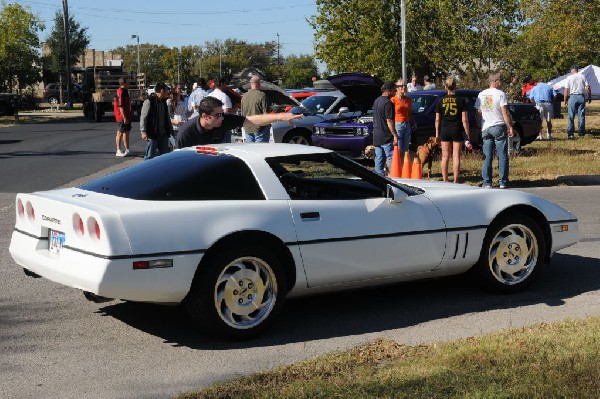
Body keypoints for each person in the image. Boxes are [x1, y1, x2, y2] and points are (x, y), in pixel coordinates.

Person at [176, 96, 302, 148]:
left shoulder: (223, 120)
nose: (222, 118)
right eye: (218, 115)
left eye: (222, 114)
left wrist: (281, 116)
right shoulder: (186, 133)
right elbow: (177, 162)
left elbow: (251, 120)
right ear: (205, 116)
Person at [475, 73, 514, 189]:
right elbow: (505, 112)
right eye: (501, 80)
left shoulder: (481, 94)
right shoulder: (501, 94)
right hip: (498, 126)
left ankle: (487, 182)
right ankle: (503, 181)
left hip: (486, 127)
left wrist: (479, 126)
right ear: (495, 81)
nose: (502, 83)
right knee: (502, 155)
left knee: (487, 156)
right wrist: (510, 126)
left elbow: (478, 113)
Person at [435, 76, 471, 183]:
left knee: (445, 156)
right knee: (456, 156)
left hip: (445, 129)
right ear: (455, 87)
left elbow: (437, 120)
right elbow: (464, 119)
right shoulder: (461, 100)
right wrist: (467, 133)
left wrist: (437, 133)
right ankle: (455, 181)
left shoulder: (440, 101)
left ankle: (445, 180)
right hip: (457, 129)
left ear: (446, 87)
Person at [140, 82, 174, 160]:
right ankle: (146, 171)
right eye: (166, 90)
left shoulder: (163, 102)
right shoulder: (149, 101)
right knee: (149, 156)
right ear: (162, 91)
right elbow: (143, 117)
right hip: (152, 134)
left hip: (163, 134)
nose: (167, 92)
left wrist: (170, 131)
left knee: (165, 157)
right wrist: (143, 132)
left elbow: (167, 118)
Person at [371, 81, 398, 176]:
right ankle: (394, 177)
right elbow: (389, 121)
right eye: (394, 90)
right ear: (389, 91)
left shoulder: (376, 100)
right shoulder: (388, 103)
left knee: (379, 157)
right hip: (386, 136)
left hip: (377, 135)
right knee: (391, 157)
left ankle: (378, 178)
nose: (395, 92)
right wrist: (394, 135)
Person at [564, 66, 592, 139]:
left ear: (572, 71)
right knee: (581, 115)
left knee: (571, 116)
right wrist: (589, 96)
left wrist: (565, 100)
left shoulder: (569, 78)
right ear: (577, 70)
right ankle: (581, 132)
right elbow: (588, 87)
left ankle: (570, 134)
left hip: (572, 97)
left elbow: (566, 90)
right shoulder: (583, 76)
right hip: (581, 97)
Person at [390, 79, 415, 157]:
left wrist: (413, 122)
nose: (404, 87)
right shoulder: (393, 100)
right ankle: (398, 167)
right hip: (397, 124)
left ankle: (405, 167)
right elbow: (390, 115)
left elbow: (410, 113)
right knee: (398, 148)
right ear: (397, 88)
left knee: (406, 149)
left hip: (407, 124)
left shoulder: (408, 99)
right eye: (401, 86)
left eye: (405, 85)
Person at [241, 75, 270, 143]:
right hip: (260, 127)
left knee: (251, 151)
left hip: (247, 127)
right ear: (259, 83)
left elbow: (242, 112)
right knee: (261, 150)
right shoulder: (262, 95)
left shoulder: (244, 96)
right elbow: (266, 114)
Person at [207, 77, 233, 142]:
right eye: (225, 84)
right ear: (221, 84)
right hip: (222, 127)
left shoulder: (209, 96)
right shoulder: (223, 96)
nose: (225, 86)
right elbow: (226, 111)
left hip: (210, 125)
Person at [167, 83, 190, 149]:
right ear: (174, 90)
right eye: (179, 88)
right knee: (177, 147)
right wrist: (175, 122)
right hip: (175, 128)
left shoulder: (183, 100)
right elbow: (168, 116)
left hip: (184, 126)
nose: (181, 90)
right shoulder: (170, 101)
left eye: (181, 88)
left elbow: (186, 113)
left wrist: (193, 110)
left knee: (184, 146)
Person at [113, 77, 132, 157]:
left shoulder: (125, 91)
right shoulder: (120, 92)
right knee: (120, 132)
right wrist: (124, 117)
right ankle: (118, 150)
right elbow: (121, 106)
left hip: (127, 115)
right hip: (121, 116)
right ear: (123, 83)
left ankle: (127, 149)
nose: (129, 84)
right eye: (128, 82)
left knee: (126, 132)